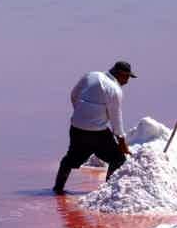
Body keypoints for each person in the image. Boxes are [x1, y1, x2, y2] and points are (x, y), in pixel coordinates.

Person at [54, 61, 136, 194]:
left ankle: (58, 189)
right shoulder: (115, 90)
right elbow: (116, 119)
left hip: (77, 128)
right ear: (120, 74)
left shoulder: (91, 76)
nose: (127, 81)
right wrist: (122, 143)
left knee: (70, 159)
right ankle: (107, 193)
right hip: (98, 134)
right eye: (127, 77)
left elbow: (74, 95)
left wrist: (82, 114)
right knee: (118, 159)